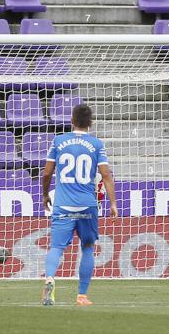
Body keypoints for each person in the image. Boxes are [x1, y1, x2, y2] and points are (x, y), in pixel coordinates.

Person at [41, 104, 117, 306]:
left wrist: (45, 195)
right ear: (90, 123)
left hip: (63, 205)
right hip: (87, 206)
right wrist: (113, 203)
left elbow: (47, 173)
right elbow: (106, 175)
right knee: (88, 247)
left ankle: (49, 278)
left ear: (71, 121)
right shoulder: (96, 144)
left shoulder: (59, 141)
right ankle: (82, 295)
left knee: (56, 247)